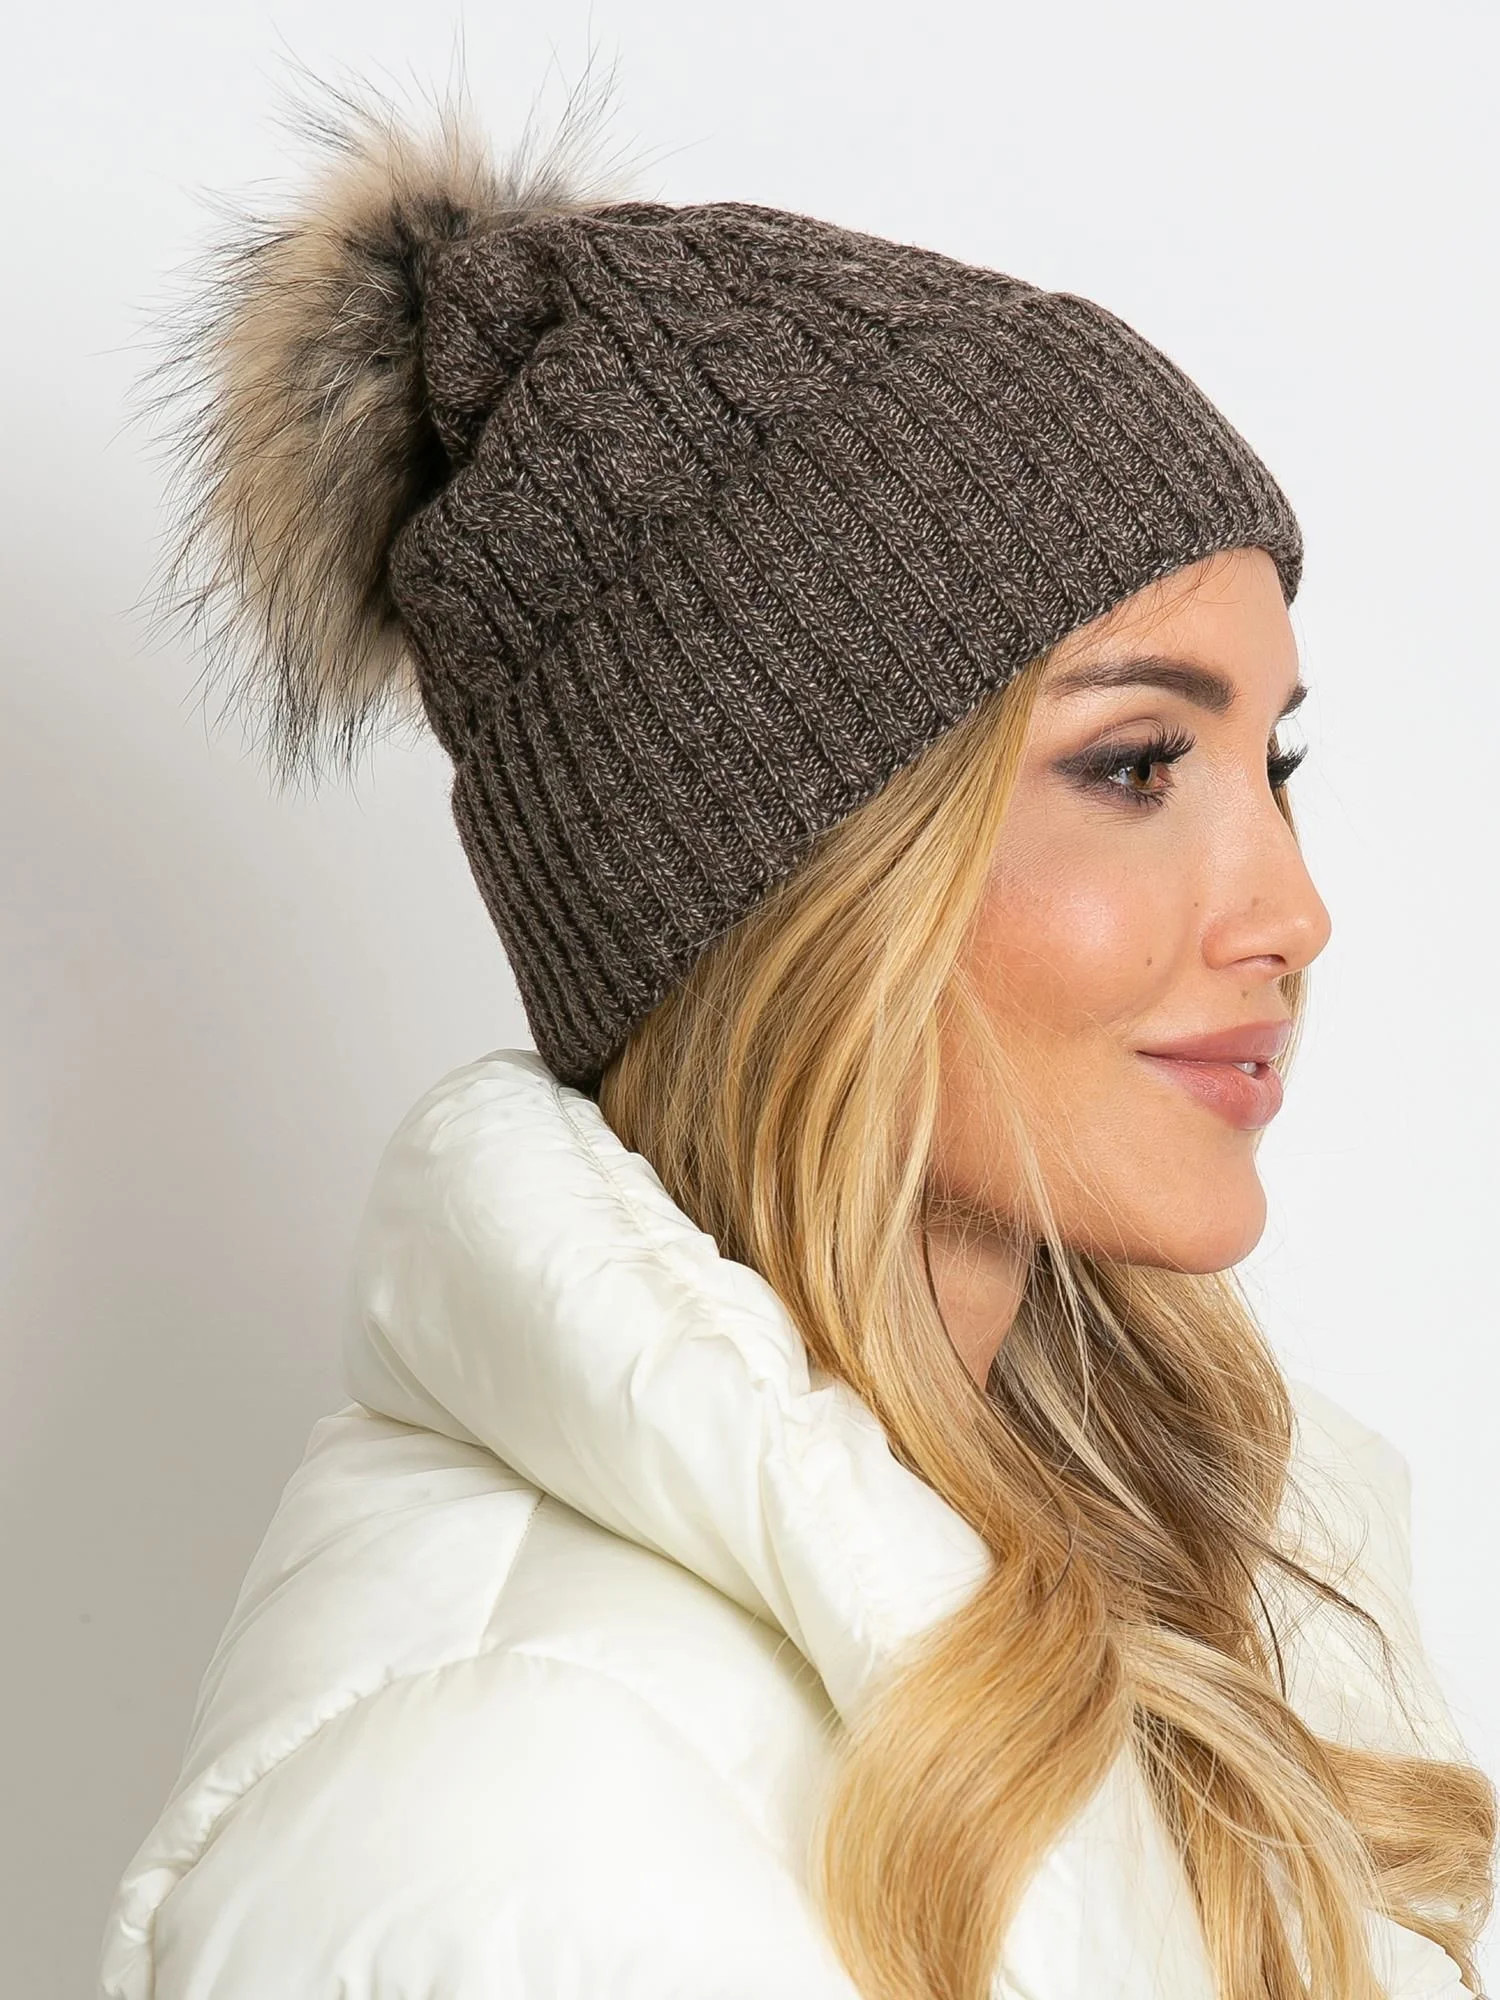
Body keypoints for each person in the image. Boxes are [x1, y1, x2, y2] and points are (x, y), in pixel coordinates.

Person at [100, 76, 1495, 2000]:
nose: (1294, 914)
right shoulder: (503, 1818)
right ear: (799, 877)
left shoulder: (1197, 1579)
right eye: (1136, 764)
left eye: (1279, 764)